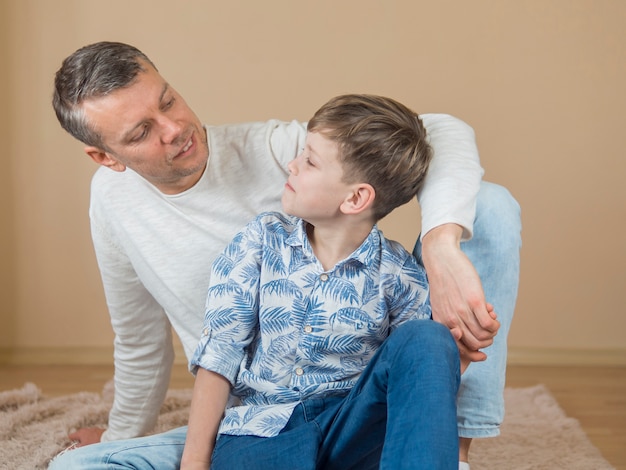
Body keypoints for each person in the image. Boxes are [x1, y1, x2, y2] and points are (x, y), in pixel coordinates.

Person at [48, 41, 520, 469]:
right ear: (106, 157)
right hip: (254, 419)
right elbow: (142, 340)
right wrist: (121, 436)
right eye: (142, 131)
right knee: (77, 468)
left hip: (354, 412)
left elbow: (432, 131)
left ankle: (449, 455)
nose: (175, 129)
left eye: (167, 100)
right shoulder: (143, 210)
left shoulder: (277, 151)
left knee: (487, 208)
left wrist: (441, 247)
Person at [181, 93, 464, 470]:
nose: (292, 165)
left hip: (352, 430)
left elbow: (414, 384)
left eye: (310, 161)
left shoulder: (401, 276)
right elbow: (220, 355)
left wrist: (452, 353)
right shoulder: (261, 240)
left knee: (429, 338)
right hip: (263, 434)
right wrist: (193, 465)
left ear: (356, 198)